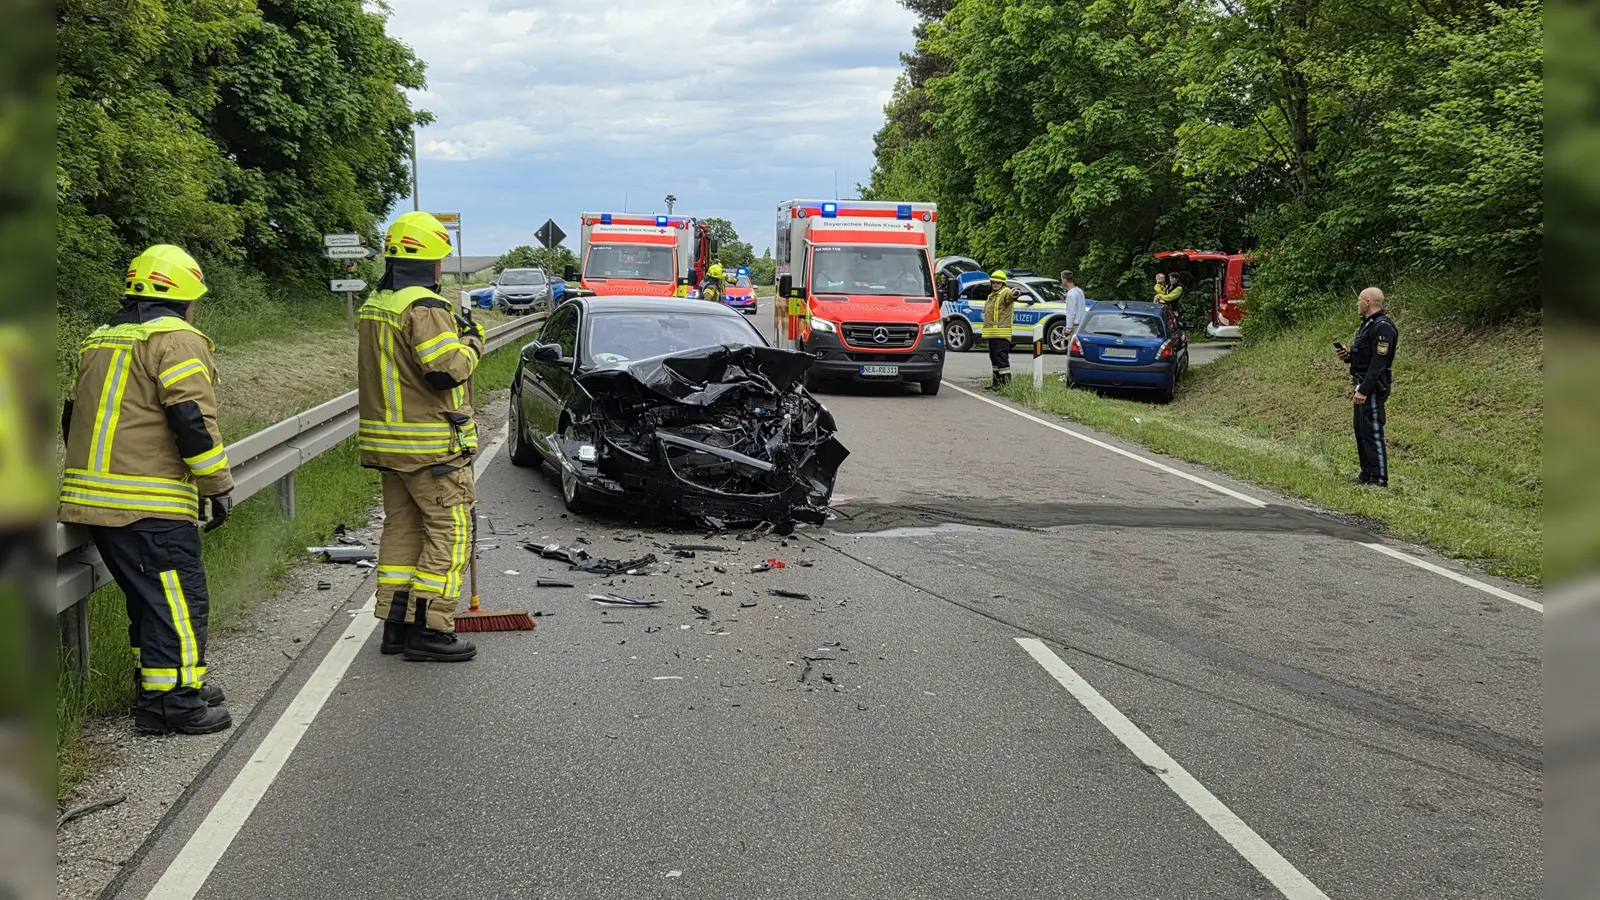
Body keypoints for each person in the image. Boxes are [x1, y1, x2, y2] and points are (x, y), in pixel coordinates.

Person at [59, 244, 233, 735]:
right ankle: (173, 704)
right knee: (179, 600)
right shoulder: (176, 340)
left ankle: (164, 685)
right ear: (186, 298)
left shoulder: (100, 339)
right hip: (148, 503)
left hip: (93, 499)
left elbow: (71, 417)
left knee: (151, 600)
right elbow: (191, 420)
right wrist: (217, 484)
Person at [359, 211, 486, 662]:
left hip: (388, 445)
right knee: (451, 533)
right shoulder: (425, 307)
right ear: (434, 262)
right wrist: (473, 342)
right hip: (430, 447)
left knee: (403, 531)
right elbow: (445, 373)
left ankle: (396, 625)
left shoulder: (378, 304)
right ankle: (430, 628)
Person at [1337, 287, 1399, 487]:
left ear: (1368, 302)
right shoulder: (1367, 325)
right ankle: (1366, 474)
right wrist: (1348, 357)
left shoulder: (1383, 327)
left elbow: (1379, 363)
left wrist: (1364, 389)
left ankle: (1379, 479)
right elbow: (1364, 356)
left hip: (1373, 386)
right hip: (1361, 382)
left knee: (1372, 431)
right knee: (1361, 430)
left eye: (1359, 300)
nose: (1357, 304)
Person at [982, 270, 1018, 389]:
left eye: (998, 283)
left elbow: (1011, 295)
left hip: (1001, 334)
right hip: (993, 334)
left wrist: (1015, 292)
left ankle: (1005, 384)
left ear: (1003, 284)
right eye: (993, 282)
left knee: (1001, 359)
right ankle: (996, 383)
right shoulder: (992, 295)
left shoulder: (1004, 292)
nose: (995, 284)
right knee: (994, 359)